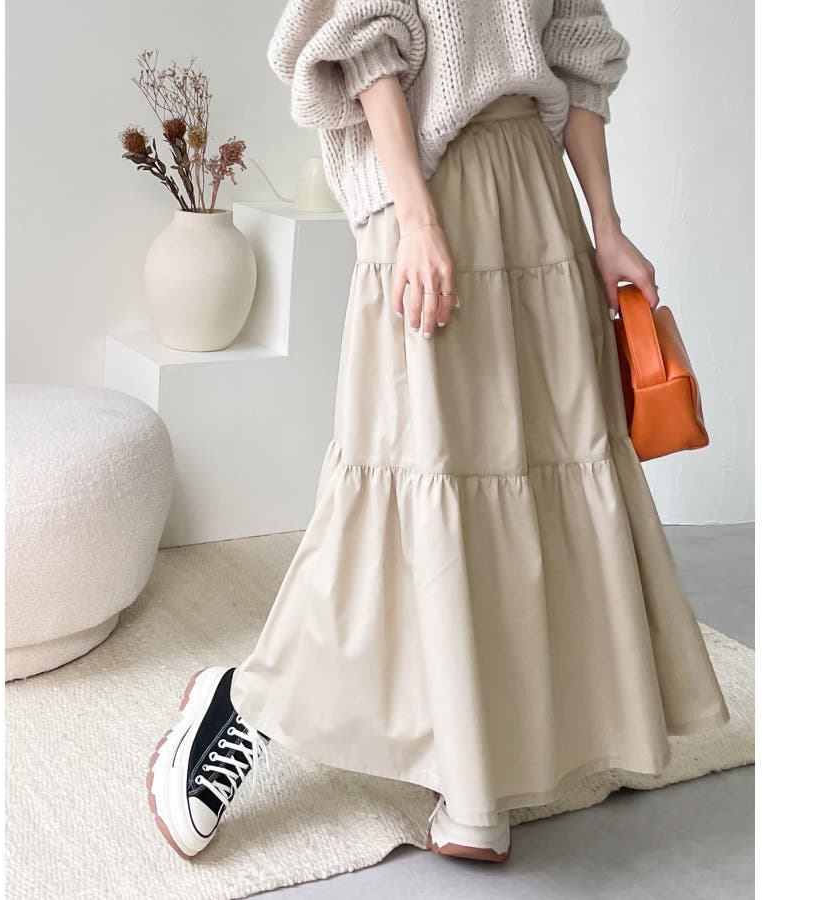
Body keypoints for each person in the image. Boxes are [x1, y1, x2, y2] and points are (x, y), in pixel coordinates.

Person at [146, 0, 731, 862]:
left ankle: (474, 771)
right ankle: (240, 702)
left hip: (535, 188)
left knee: (534, 474)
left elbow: (576, 51)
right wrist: (414, 218)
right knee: (405, 479)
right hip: (421, 180)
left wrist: (606, 226)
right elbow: (364, 43)